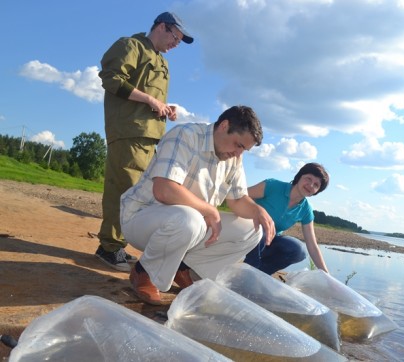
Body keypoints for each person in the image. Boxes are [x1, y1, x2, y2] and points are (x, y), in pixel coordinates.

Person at [120, 105, 276, 305]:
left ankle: (185, 270)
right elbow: (164, 190)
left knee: (252, 229)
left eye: (244, 150)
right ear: (224, 125)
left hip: (189, 226)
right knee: (189, 219)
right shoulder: (186, 136)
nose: (238, 154)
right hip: (143, 218)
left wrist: (258, 211)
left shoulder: (233, 158)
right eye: (238, 145)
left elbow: (237, 200)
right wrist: (209, 209)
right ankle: (144, 272)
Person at [95, 12, 194, 272]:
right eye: (176, 37)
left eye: (180, 41)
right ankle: (108, 247)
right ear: (162, 27)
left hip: (150, 136)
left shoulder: (161, 62)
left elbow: (150, 98)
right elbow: (111, 78)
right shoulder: (132, 46)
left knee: (140, 195)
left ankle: (118, 245)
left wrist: (164, 108)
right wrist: (151, 100)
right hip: (128, 131)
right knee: (123, 189)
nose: (176, 44)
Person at [244, 162, 330, 274]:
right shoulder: (273, 186)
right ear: (299, 177)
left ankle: (261, 274)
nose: (311, 185)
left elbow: (312, 246)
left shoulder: (306, 210)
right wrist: (257, 210)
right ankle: (247, 273)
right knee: (264, 229)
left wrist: (326, 275)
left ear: (317, 191)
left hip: (268, 241)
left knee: (298, 250)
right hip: (247, 232)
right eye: (308, 179)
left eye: (316, 185)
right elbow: (239, 195)